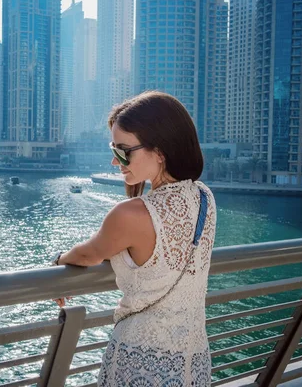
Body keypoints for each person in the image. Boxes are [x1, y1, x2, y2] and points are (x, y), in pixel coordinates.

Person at [52, 91, 216, 385]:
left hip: (141, 363)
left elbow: (89, 255)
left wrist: (59, 261)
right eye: (113, 149)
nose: (116, 162)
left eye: (123, 151)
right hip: (194, 362)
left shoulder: (131, 214)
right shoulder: (204, 197)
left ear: (161, 151)